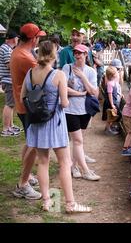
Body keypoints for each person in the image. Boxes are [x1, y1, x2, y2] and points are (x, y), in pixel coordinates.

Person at [20, 41, 91, 213]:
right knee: (64, 163)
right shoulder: (58, 74)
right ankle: (70, 204)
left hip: (36, 124)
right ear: (53, 55)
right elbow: (65, 103)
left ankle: (46, 201)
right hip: (55, 122)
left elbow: (23, 97)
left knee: (42, 162)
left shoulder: (30, 73)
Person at [10, 23, 46, 200]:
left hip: (22, 105)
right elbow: (46, 76)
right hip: (28, 107)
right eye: (39, 36)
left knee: (30, 142)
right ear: (33, 39)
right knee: (34, 144)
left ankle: (27, 175)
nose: (40, 39)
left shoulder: (18, 51)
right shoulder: (26, 57)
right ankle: (22, 184)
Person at [62, 44, 101, 181]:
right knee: (78, 140)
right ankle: (86, 170)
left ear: (86, 55)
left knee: (78, 141)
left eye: (80, 53)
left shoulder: (90, 71)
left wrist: (83, 77)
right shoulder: (67, 68)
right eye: (75, 53)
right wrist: (79, 93)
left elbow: (93, 92)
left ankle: (74, 166)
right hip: (70, 110)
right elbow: (64, 88)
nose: (77, 55)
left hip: (85, 110)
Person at [0, 31, 22, 136]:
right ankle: (5, 129)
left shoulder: (6, 48)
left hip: (7, 80)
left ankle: (10, 126)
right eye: (17, 39)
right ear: (14, 39)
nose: (18, 40)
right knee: (9, 105)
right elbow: (10, 65)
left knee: (11, 104)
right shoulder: (6, 49)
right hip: (8, 80)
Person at [103, 66, 122, 136]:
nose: (117, 73)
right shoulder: (110, 84)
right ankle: (108, 130)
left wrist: (120, 94)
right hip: (111, 103)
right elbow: (110, 94)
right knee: (110, 117)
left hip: (113, 102)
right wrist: (112, 104)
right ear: (112, 75)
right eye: (116, 73)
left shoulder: (113, 82)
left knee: (113, 116)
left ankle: (108, 128)